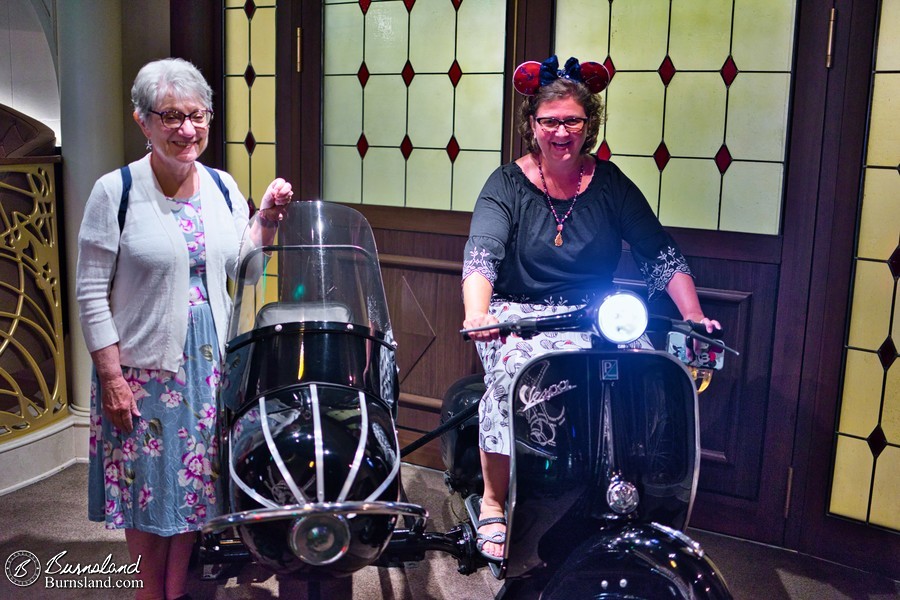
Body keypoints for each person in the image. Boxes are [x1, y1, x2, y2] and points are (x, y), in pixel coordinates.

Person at [461, 55, 720, 561]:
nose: (561, 131)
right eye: (549, 121)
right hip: (521, 316)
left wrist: (693, 314)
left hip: (598, 315)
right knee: (510, 375)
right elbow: (481, 254)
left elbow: (658, 253)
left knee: (647, 367)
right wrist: (479, 313)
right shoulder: (505, 184)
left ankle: (637, 489)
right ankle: (495, 501)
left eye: (572, 121)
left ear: (589, 125)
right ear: (532, 126)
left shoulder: (611, 184)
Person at [76, 57, 292, 599]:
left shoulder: (221, 186)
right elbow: (89, 293)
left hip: (210, 367)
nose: (186, 130)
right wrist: (110, 379)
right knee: (148, 494)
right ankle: (152, 593)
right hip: (144, 372)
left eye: (197, 116)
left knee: (193, 492)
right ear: (143, 121)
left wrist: (263, 221)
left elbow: (241, 271)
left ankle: (175, 591)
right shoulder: (115, 191)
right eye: (170, 116)